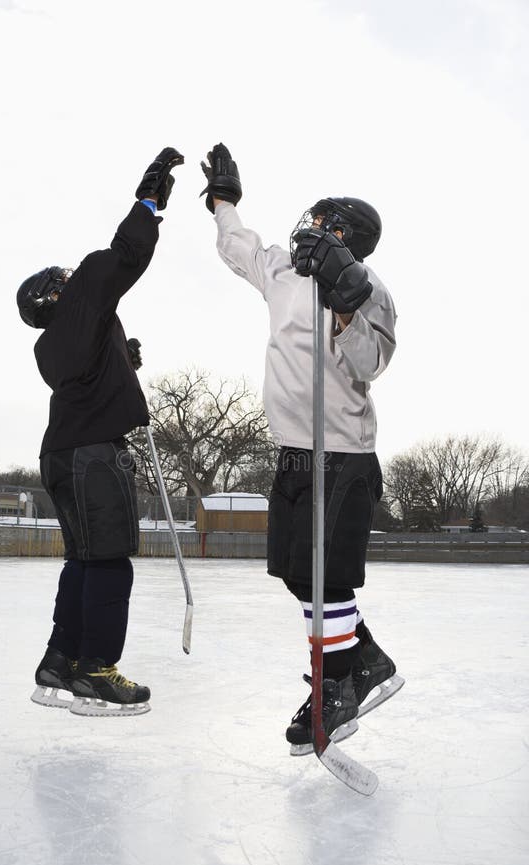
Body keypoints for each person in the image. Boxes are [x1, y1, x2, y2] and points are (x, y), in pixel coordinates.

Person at [200, 143, 404, 753]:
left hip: (341, 455)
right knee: (298, 577)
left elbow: (370, 364)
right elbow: (239, 250)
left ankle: (335, 687)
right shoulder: (284, 271)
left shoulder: (372, 292)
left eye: (321, 223)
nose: (308, 229)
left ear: (345, 236)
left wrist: (344, 305)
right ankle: (362, 658)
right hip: (290, 451)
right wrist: (224, 205)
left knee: (326, 580)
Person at [18, 147, 184, 717]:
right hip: (93, 459)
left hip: (60, 457)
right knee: (110, 561)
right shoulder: (84, 292)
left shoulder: (48, 347)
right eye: (62, 279)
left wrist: (119, 357)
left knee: (83, 560)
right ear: (56, 295)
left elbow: (88, 372)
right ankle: (96, 670)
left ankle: (59, 660)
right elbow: (124, 257)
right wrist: (148, 202)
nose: (72, 275)